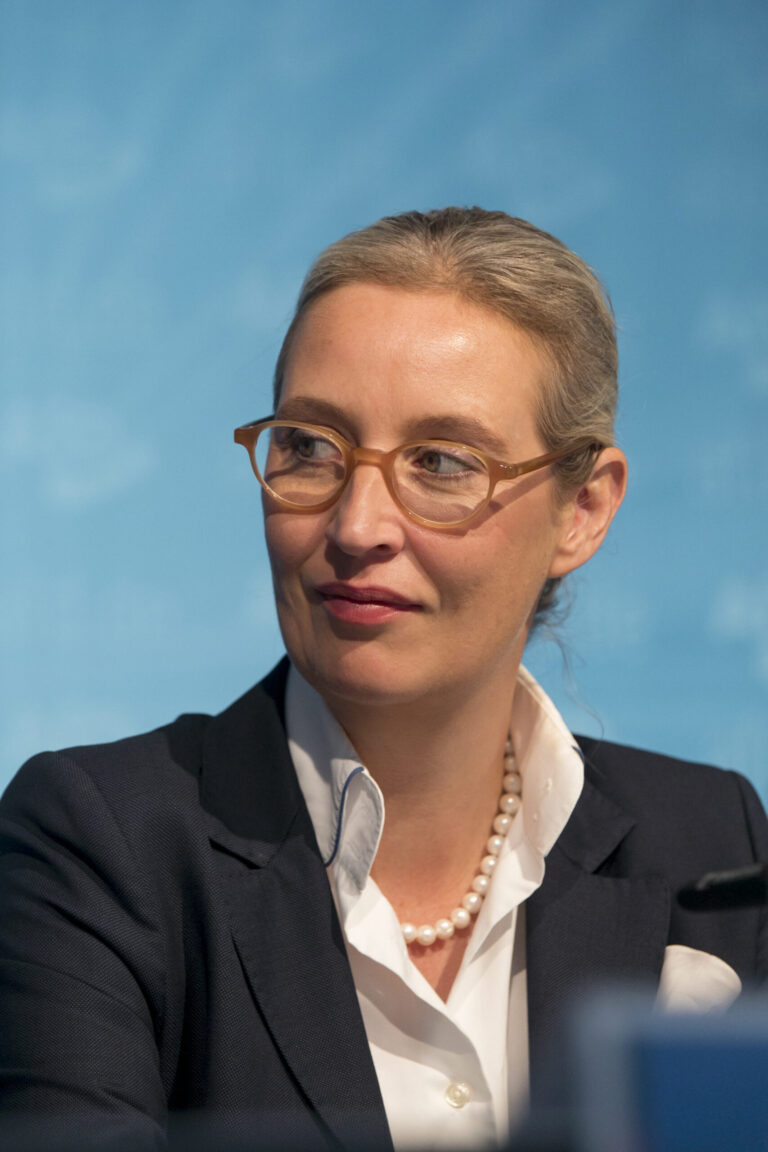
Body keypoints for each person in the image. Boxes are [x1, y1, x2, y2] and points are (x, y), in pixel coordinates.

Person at [1, 208, 766, 1152]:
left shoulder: (710, 840)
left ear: (583, 509)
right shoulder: (102, 843)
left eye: (441, 463)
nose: (358, 525)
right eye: (310, 447)